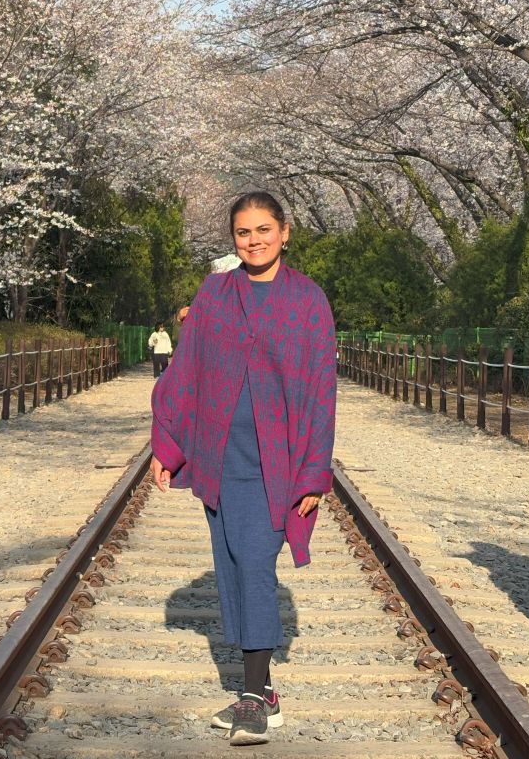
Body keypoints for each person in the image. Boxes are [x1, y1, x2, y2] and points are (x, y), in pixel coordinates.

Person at [150, 191, 336, 747]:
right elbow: (186, 371)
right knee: (233, 564)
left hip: (275, 463)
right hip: (220, 455)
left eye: (263, 230)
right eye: (243, 232)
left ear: (285, 232)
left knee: (255, 561)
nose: (253, 241)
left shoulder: (307, 299)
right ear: (233, 239)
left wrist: (313, 475)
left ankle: (253, 699)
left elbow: (320, 392)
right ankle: (264, 689)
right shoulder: (214, 293)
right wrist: (170, 445)